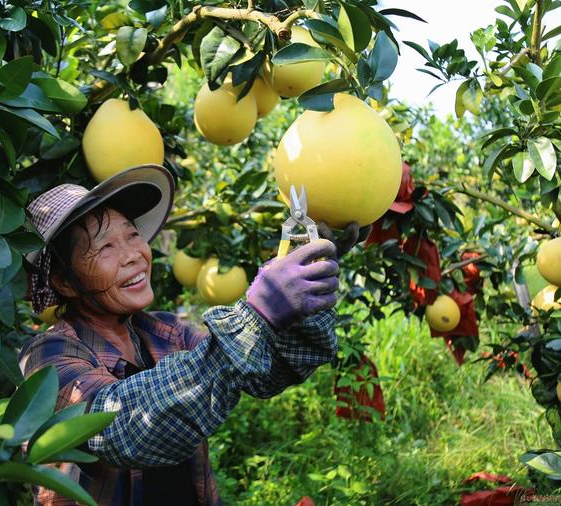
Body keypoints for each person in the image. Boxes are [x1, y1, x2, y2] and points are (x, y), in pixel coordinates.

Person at [19, 164, 369, 506]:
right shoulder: (47, 358)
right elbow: (123, 427)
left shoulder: (165, 332)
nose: (133, 256)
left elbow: (266, 372)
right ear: (63, 282)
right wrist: (256, 314)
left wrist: (308, 275)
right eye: (105, 248)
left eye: (131, 235)